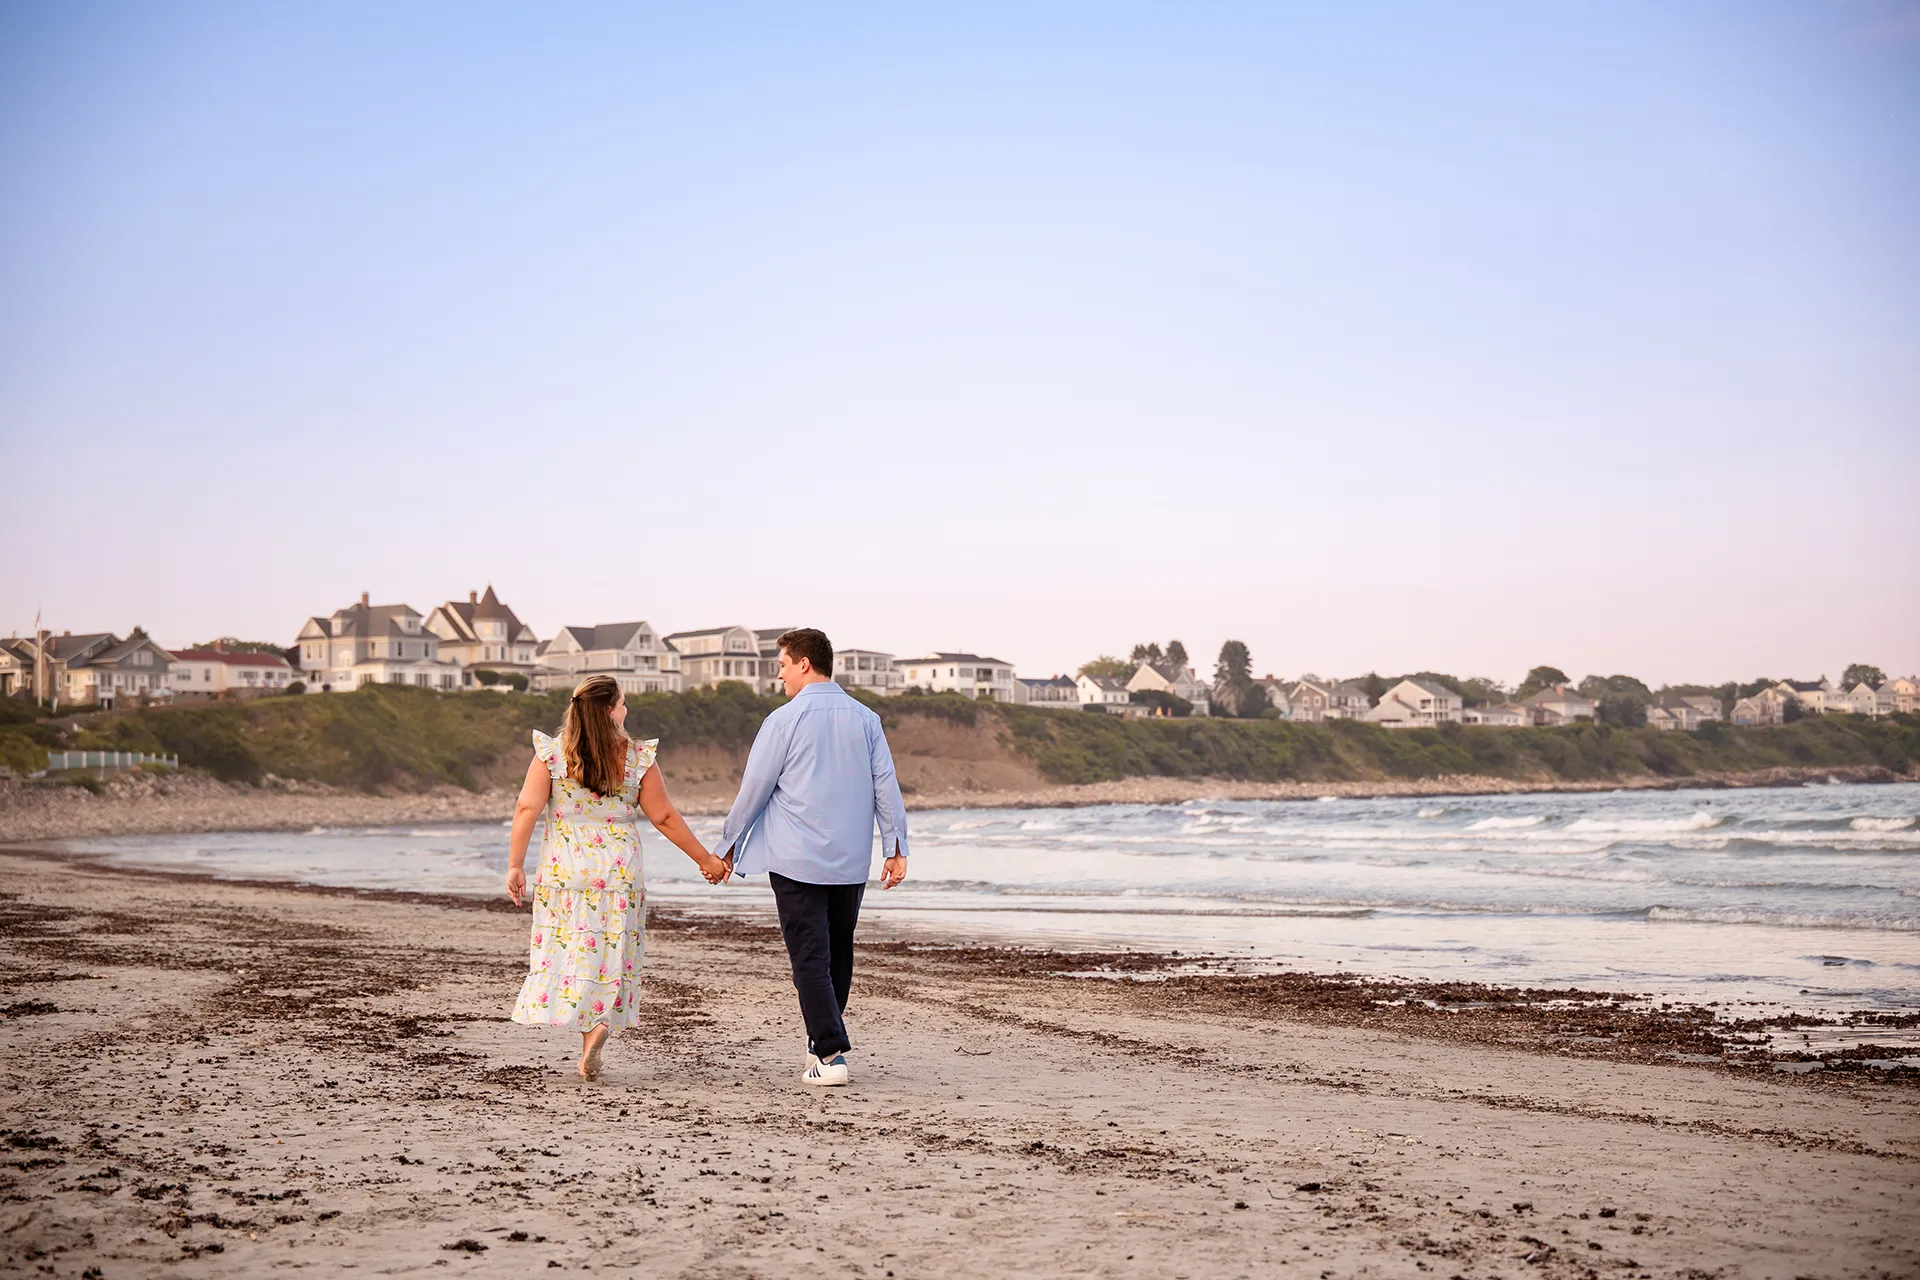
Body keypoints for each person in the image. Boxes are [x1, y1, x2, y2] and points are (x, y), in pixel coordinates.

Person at [505, 673, 730, 1081]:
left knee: (573, 948)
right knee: (608, 952)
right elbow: (662, 816)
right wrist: (707, 860)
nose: (626, 710)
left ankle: (590, 1030)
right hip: (618, 870)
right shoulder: (637, 757)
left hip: (564, 868)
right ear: (611, 711)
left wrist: (514, 864)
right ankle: (598, 1026)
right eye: (623, 703)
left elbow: (526, 809)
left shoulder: (552, 755)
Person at [717, 627, 909, 1086]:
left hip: (796, 858)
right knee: (837, 952)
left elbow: (755, 790)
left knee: (809, 956)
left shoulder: (783, 721)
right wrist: (895, 846)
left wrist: (725, 847)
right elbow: (886, 785)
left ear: (805, 663)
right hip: (849, 858)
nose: (779, 675)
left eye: (782, 664)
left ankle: (830, 1054)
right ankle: (820, 1040)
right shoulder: (866, 718)